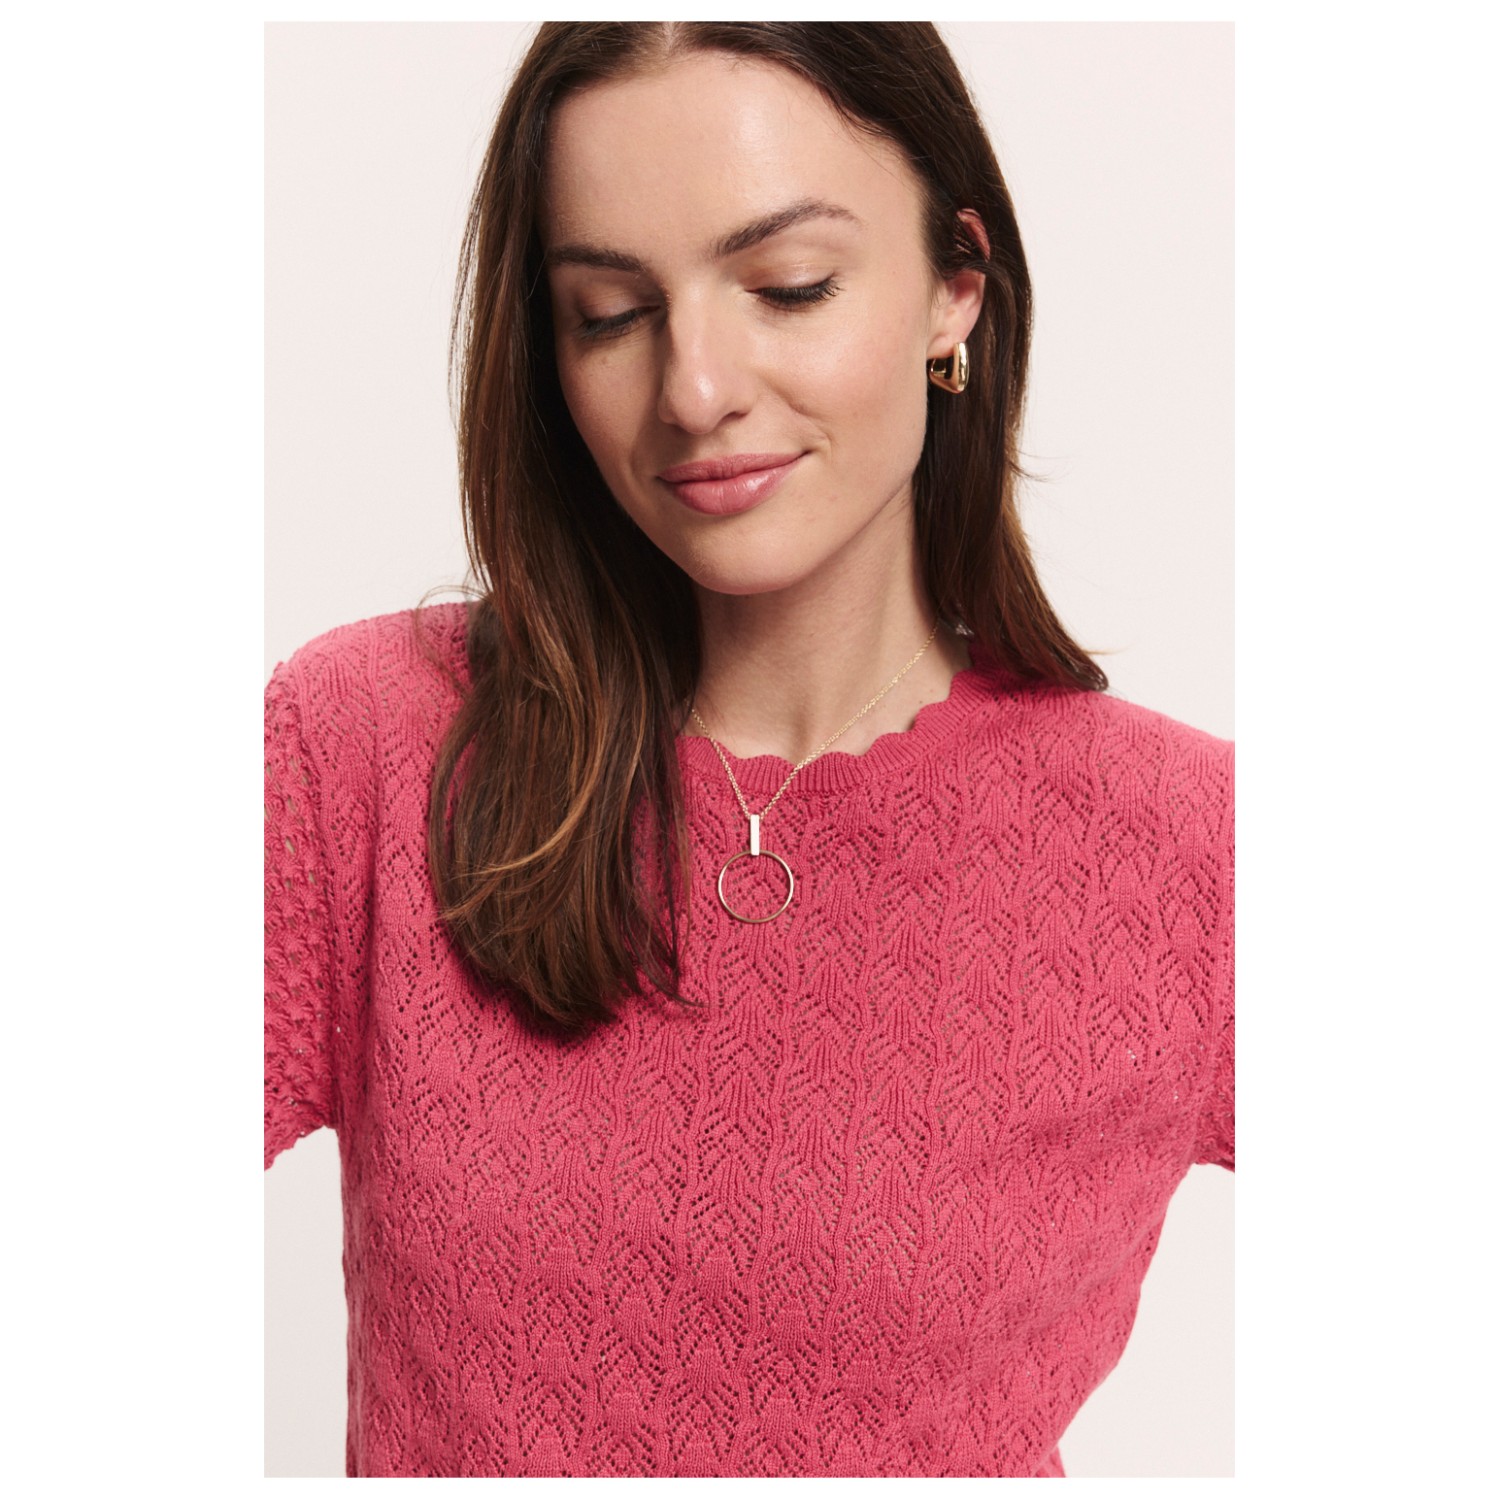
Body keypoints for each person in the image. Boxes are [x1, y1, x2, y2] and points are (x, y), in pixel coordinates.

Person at [264, 21, 1232, 1478]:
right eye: (608, 314)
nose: (694, 389)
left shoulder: (1189, 850)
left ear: (955, 290)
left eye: (789, 287)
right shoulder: (366, 748)